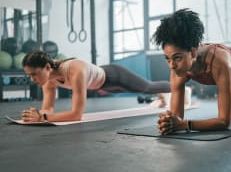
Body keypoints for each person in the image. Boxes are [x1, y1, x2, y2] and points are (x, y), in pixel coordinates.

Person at [20, 51, 186, 122]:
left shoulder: (74, 70)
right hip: (103, 86)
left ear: (47, 67)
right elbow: (48, 109)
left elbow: (76, 114)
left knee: (148, 87)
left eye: (34, 74)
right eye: (29, 75)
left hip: (114, 77)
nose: (32, 79)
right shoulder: (47, 81)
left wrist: (42, 118)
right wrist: (37, 114)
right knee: (145, 89)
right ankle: (162, 95)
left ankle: (182, 85)